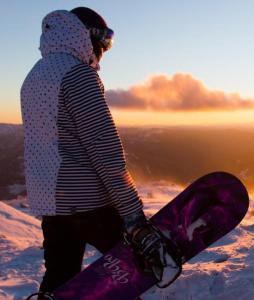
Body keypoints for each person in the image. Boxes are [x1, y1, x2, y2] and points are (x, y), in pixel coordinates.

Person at [20, 7, 180, 297]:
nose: (103, 52)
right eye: (104, 43)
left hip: (53, 206)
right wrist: (134, 217)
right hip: (90, 203)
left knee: (59, 281)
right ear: (87, 37)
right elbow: (106, 152)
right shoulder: (78, 75)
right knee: (129, 275)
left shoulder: (34, 76)